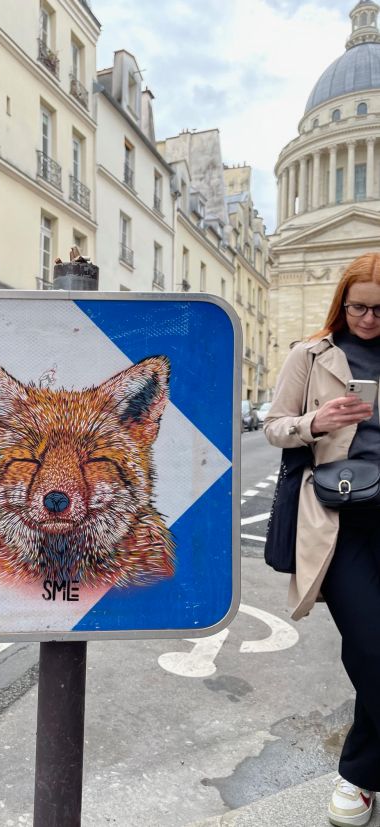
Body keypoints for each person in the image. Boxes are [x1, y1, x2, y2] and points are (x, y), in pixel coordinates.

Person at [264, 252, 380, 827]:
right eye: (358, 307)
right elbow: (273, 424)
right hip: (340, 522)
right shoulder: (311, 355)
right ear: (342, 302)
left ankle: (361, 776)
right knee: (371, 647)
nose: (367, 319)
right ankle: (359, 775)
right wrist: (316, 423)